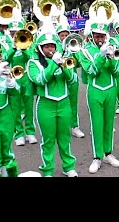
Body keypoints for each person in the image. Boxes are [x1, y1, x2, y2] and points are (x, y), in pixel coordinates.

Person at [27, 19, 79, 177]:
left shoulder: (63, 60)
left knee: (65, 138)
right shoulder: (33, 63)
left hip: (64, 104)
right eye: (46, 46)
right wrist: (53, 64)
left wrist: (62, 65)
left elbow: (71, 80)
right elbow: (41, 80)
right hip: (46, 106)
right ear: (40, 48)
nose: (50, 49)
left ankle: (68, 166)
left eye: (52, 46)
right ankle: (47, 169)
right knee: (48, 140)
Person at [77, 6, 119, 174]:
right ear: (92, 36)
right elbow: (91, 72)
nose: (100, 39)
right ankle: (97, 156)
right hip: (95, 90)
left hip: (111, 89)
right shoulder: (85, 51)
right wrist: (101, 56)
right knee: (97, 124)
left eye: (102, 35)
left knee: (109, 123)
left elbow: (117, 72)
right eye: (97, 36)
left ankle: (108, 153)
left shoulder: (111, 47)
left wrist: (110, 58)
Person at [1, 8, 38, 146]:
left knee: (28, 107)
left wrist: (23, 49)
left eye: (17, 32)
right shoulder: (6, 42)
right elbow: (4, 59)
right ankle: (19, 133)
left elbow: (32, 59)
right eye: (12, 32)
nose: (15, 34)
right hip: (12, 78)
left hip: (26, 78)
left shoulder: (29, 43)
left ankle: (30, 132)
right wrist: (12, 47)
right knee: (15, 108)